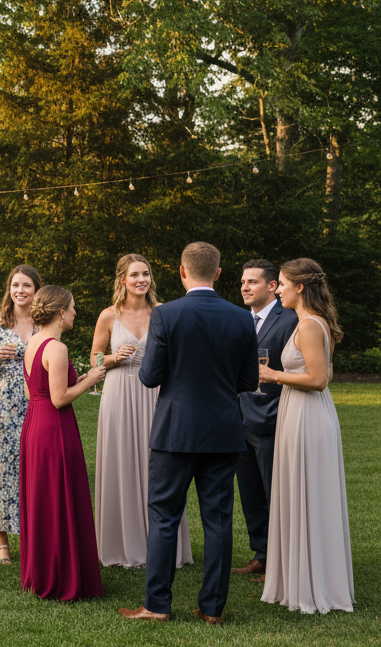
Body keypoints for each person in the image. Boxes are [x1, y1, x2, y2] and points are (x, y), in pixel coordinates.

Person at [120, 242, 257, 625]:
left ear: (182, 272)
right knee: (219, 520)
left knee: (164, 516)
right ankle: (212, 609)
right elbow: (248, 381)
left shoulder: (166, 314)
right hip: (223, 431)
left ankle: (157, 604)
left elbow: (149, 376)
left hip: (175, 432)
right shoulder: (241, 317)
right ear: (218, 273)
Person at [259, 258, 354, 614]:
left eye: (282, 284)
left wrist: (273, 375)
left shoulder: (310, 325)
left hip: (307, 414)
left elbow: (318, 379)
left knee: (308, 489)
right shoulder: (311, 322)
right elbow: (324, 371)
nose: (278, 290)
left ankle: (313, 584)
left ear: (299, 287)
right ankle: (305, 576)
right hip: (299, 410)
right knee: (302, 489)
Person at [92, 254, 192, 569]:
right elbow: (95, 358)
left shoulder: (163, 312)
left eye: (145, 274)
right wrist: (113, 359)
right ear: (122, 279)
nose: (141, 280)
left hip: (156, 394)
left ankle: (161, 544)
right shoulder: (108, 315)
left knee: (159, 465)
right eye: (134, 275)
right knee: (121, 460)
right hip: (118, 394)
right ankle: (122, 543)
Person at [19, 285, 106, 601]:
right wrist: (90, 380)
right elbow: (59, 399)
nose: (75, 313)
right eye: (72, 307)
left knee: (44, 498)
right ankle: (61, 576)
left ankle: (43, 570)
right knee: (58, 496)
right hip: (54, 428)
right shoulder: (56, 348)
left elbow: (32, 391)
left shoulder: (32, 342)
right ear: (60, 312)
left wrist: (76, 381)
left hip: (34, 424)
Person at [231, 259, 297, 580]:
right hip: (238, 419)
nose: (244, 287)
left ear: (272, 286)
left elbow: (296, 369)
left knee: (277, 494)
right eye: (243, 282)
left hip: (273, 419)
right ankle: (261, 554)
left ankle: (286, 561)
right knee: (251, 493)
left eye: (252, 282)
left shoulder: (291, 319)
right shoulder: (238, 319)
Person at [0, 264, 42, 565]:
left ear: (36, 289)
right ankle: (2, 541)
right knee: (1, 467)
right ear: (9, 289)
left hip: (35, 402)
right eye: (15, 285)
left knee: (32, 467)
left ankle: (33, 535)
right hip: (2, 405)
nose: (20, 291)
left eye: (26, 285)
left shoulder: (44, 321)